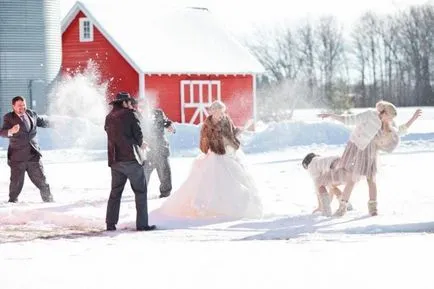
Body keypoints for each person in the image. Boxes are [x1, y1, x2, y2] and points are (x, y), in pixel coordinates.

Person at [156, 100, 263, 219]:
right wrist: (216, 143)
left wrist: (239, 131)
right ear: (213, 112)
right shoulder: (207, 125)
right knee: (212, 182)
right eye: (218, 112)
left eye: (222, 112)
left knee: (233, 180)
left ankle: (233, 207)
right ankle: (209, 208)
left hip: (228, 154)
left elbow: (232, 133)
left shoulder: (226, 120)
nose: (221, 114)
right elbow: (203, 144)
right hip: (215, 156)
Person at [318, 102, 422, 216]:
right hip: (356, 150)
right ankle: (342, 207)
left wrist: (413, 118)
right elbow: (349, 120)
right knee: (351, 179)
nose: (391, 120)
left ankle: (373, 208)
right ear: (384, 113)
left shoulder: (388, 124)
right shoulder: (369, 115)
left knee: (371, 180)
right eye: (390, 117)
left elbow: (400, 131)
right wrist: (332, 115)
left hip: (370, 154)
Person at [104, 92, 156, 231]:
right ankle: (142, 224)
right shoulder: (130, 114)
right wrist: (142, 143)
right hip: (131, 160)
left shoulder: (108, 117)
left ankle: (110, 224)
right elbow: (137, 133)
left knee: (115, 193)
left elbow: (110, 134)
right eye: (128, 102)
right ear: (124, 102)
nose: (131, 104)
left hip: (115, 161)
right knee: (140, 192)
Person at [0, 96, 53, 203]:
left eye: (24, 105)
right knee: (16, 184)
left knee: (42, 182)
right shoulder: (9, 117)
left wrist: (55, 123)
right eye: (19, 106)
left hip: (33, 155)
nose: (22, 107)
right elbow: (2, 132)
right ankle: (12, 204)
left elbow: (42, 122)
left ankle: (49, 202)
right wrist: (11, 130)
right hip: (17, 158)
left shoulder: (31, 114)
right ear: (13, 106)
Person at [144, 108, 175, 198]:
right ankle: (141, 193)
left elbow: (166, 121)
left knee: (165, 172)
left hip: (161, 149)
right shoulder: (137, 116)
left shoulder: (158, 113)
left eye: (143, 105)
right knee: (143, 174)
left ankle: (165, 194)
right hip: (148, 151)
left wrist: (170, 126)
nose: (141, 107)